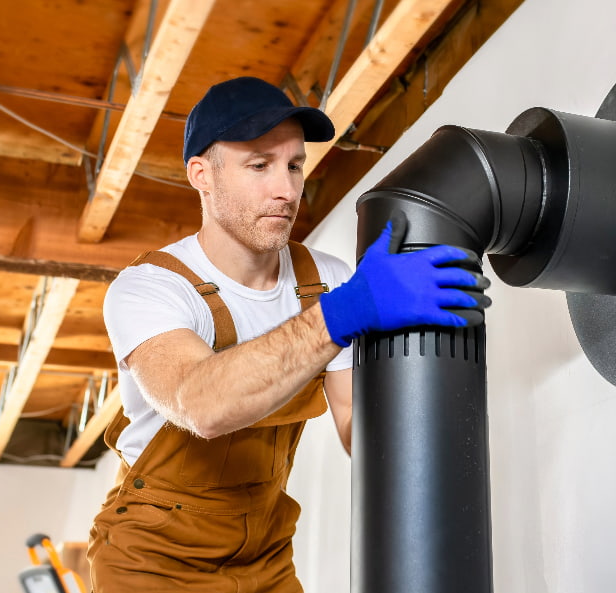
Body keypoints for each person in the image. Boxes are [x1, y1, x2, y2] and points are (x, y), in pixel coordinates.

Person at [87, 76, 489, 592]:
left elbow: (351, 417)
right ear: (201, 174)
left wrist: (434, 468)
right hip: (153, 560)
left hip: (266, 554)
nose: (286, 189)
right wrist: (347, 311)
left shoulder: (328, 277)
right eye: (259, 165)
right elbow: (200, 404)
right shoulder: (150, 288)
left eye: (294, 165)